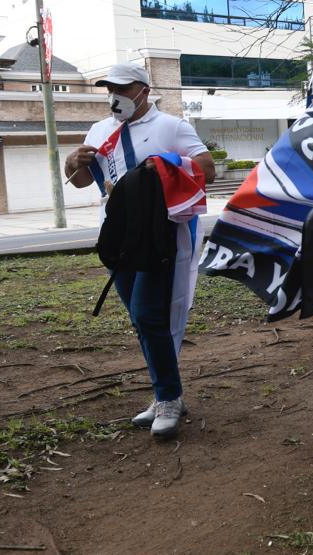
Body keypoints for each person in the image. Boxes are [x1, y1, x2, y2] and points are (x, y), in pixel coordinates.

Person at [65, 63, 215, 439]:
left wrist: (166, 165)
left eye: (122, 88)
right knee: (139, 318)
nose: (114, 96)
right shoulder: (101, 130)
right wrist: (72, 163)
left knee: (149, 315)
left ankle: (168, 397)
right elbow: (83, 181)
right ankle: (165, 393)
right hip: (117, 236)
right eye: (108, 89)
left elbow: (206, 169)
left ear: (143, 91)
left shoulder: (171, 127)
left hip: (157, 234)